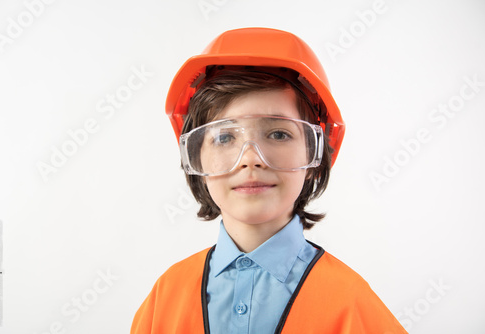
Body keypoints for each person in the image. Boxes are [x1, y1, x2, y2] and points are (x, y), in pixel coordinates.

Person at [131, 27, 407, 334]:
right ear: (196, 158)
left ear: (316, 155)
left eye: (278, 133)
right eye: (224, 137)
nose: (251, 158)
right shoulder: (165, 298)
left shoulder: (353, 305)